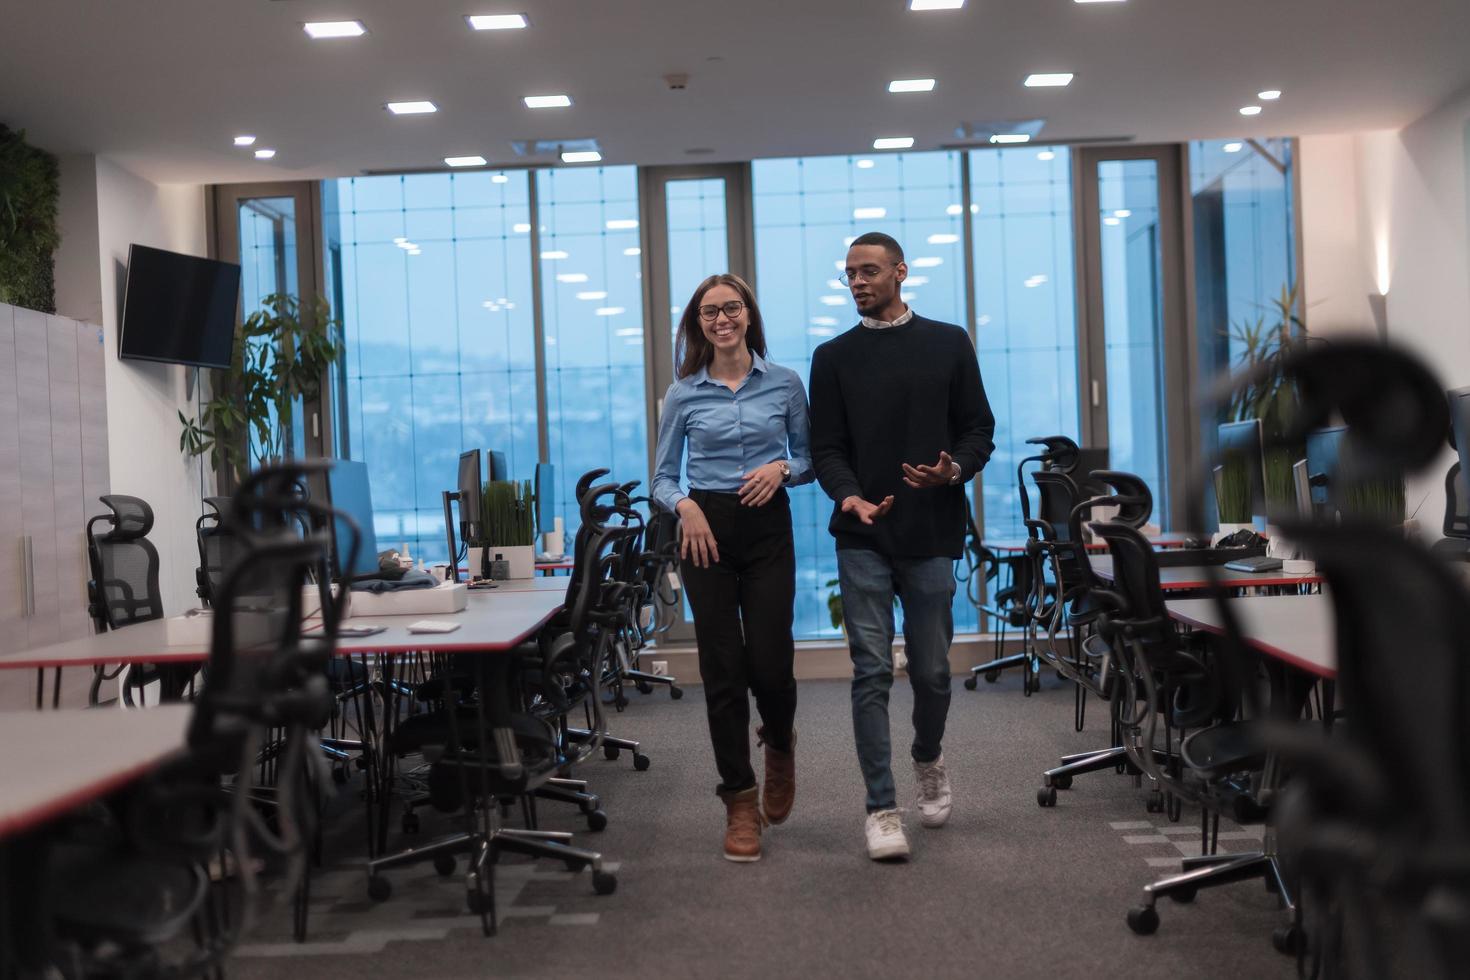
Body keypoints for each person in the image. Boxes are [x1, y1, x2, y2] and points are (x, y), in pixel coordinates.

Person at [808, 231, 995, 861]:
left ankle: (928, 757)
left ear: (900, 272)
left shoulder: (948, 343)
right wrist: (848, 496)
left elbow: (978, 429)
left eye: (868, 271)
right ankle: (881, 807)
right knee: (869, 671)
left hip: (931, 530)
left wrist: (955, 472)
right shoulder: (832, 357)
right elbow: (827, 447)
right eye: (849, 274)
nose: (857, 282)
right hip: (862, 533)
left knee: (934, 671)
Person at [652, 273, 814, 863]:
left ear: (748, 315)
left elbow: (810, 457)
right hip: (705, 532)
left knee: (771, 660)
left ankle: (779, 743)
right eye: (709, 311)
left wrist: (783, 471)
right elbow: (663, 478)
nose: (722, 319)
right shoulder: (684, 394)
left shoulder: (786, 383)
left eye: (732, 308)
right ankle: (739, 801)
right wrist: (687, 506)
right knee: (723, 669)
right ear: (698, 324)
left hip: (769, 524)